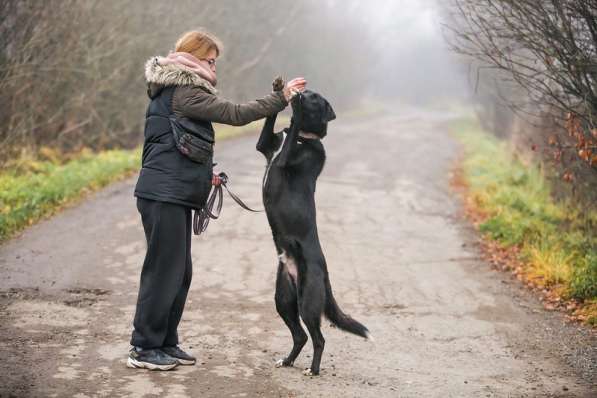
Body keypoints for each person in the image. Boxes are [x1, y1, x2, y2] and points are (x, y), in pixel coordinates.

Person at [128, 29, 306, 370]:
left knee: (179, 273)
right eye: (210, 60)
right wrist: (282, 98)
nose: (214, 66)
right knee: (163, 272)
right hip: (163, 195)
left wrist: (204, 174)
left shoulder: (178, 91)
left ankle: (165, 341)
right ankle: (143, 347)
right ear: (193, 58)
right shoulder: (184, 92)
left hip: (172, 192)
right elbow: (236, 113)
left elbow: (177, 144)